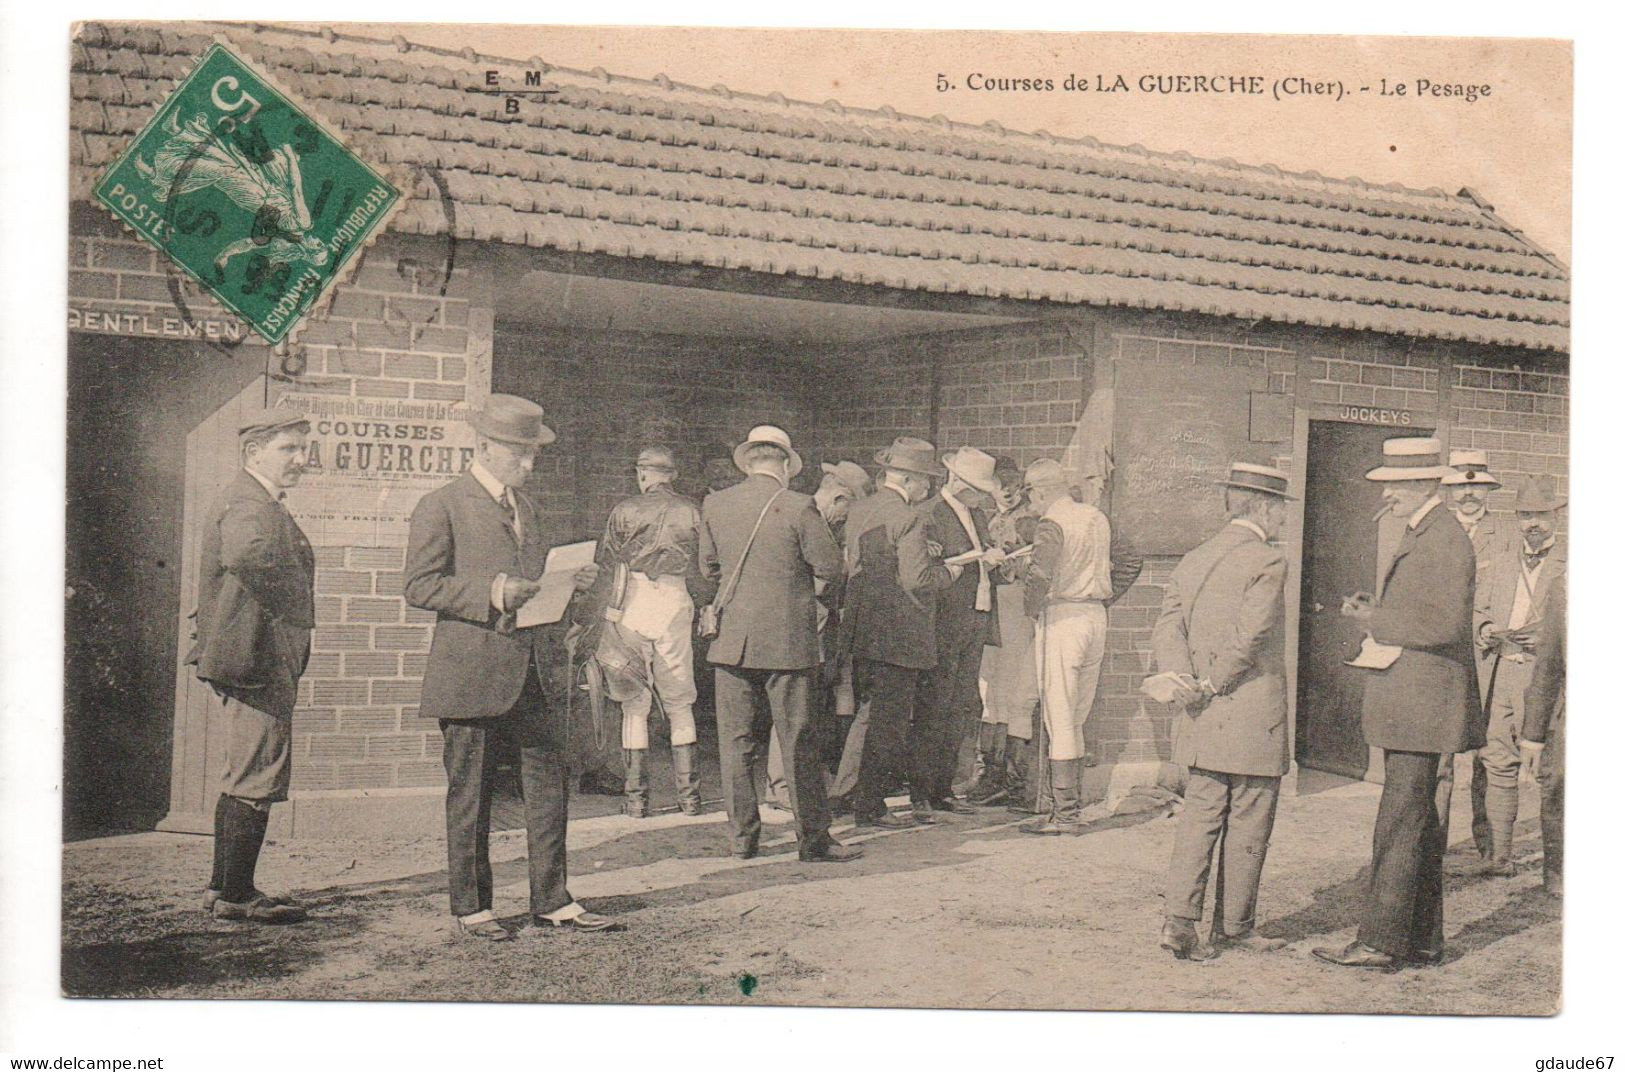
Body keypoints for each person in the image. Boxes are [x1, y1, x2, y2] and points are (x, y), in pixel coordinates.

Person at [405, 393, 616, 941]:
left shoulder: (531, 509)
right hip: (472, 672)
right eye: (519, 454)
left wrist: (573, 583)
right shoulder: (442, 504)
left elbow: (541, 582)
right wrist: (494, 592)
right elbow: (419, 585)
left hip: (536, 672)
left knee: (549, 788)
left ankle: (554, 898)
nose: (529, 465)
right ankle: (472, 907)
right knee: (471, 793)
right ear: (484, 447)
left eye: (532, 455)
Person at [1313, 437, 1480, 971]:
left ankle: (1380, 942)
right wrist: (1383, 609)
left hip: (1422, 703)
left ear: (1424, 484)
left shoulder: (1443, 538)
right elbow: (1427, 610)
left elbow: (1446, 624)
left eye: (1394, 486)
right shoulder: (1427, 531)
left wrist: (1374, 621)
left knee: (1400, 822)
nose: (1387, 496)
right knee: (1419, 823)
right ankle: (1423, 942)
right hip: (1419, 699)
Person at [699, 425, 860, 862]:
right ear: (785, 465)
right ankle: (813, 839)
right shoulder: (797, 505)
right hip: (788, 643)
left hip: (731, 641)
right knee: (797, 739)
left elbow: (708, 569)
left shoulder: (715, 503)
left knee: (735, 743)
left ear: (749, 462)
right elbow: (831, 568)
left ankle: (742, 840)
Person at [1154, 463, 1294, 961]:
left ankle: (1179, 923)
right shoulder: (1267, 561)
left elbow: (1168, 628)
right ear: (1266, 508)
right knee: (1251, 819)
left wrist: (1183, 682)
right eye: (1281, 511)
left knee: (1200, 816)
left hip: (1199, 712)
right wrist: (1214, 682)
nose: (1283, 521)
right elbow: (1252, 635)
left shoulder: (1194, 557)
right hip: (1249, 711)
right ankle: (1235, 927)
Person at [187, 408, 315, 924]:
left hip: (249, 656)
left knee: (245, 769)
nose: (301, 460)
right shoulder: (249, 501)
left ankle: (225, 887)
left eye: (303, 449)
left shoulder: (255, 498)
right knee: (257, 773)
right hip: (256, 659)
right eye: (289, 449)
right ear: (254, 452)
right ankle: (237, 896)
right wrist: (294, 608)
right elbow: (246, 554)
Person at [841, 436, 962, 829]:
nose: (927, 488)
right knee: (888, 723)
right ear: (910, 480)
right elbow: (918, 579)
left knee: (866, 715)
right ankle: (871, 806)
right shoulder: (910, 517)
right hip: (901, 634)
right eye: (925, 481)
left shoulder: (860, 509)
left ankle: (848, 793)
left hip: (863, 628)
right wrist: (950, 573)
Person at [597, 445, 707, 818]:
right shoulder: (692, 509)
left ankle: (636, 800)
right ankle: (689, 799)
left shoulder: (624, 509)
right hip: (675, 597)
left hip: (634, 597)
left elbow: (606, 560)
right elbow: (707, 564)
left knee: (633, 701)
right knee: (680, 701)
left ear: (642, 473)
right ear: (672, 475)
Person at [1467, 475, 1566, 876]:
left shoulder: (1574, 563)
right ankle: (1499, 857)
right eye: (1525, 515)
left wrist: (1542, 636)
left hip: (1548, 680)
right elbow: (1478, 609)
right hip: (1502, 670)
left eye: (1540, 514)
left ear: (1556, 517)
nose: (1533, 523)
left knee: (1552, 770)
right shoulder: (1502, 560)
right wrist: (1485, 629)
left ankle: (1556, 871)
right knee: (1497, 761)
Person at [768, 459, 874, 810]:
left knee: (807, 709)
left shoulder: (819, 521)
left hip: (817, 627)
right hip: (800, 626)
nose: (847, 518)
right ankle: (782, 787)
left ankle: (794, 784)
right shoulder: (806, 516)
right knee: (790, 708)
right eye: (848, 509)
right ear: (838, 497)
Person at [1019, 459, 1114, 835]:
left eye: (1031, 495)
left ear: (1040, 491)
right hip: (1095, 616)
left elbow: (1040, 575)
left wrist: (1031, 608)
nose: (1032, 503)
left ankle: (1066, 814)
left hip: (1062, 616)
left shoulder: (1051, 523)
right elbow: (1129, 560)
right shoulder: (1096, 516)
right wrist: (1103, 595)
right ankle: (1065, 809)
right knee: (1075, 717)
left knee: (1058, 717)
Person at [913, 447, 1008, 816]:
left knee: (959, 706)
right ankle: (921, 792)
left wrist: (996, 559)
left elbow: (982, 556)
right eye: (976, 488)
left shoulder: (977, 515)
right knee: (934, 706)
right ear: (956, 481)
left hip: (976, 619)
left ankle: (943, 789)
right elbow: (927, 567)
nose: (982, 496)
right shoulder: (931, 514)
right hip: (946, 622)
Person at [1437, 449, 1506, 849]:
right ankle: (1435, 847)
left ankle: (1489, 845)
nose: (1468, 495)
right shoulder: (1437, 532)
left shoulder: (1505, 537)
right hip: (1445, 656)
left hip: (1487, 658)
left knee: (1487, 752)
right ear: (1449, 491)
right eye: (1461, 488)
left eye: (1476, 487)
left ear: (1487, 490)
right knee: (1442, 753)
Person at [969, 459, 1040, 808]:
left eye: (1013, 483)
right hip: (987, 607)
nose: (1008, 490)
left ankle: (1014, 778)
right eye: (1000, 484)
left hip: (1014, 606)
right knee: (989, 690)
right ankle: (990, 771)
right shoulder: (981, 518)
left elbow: (1038, 566)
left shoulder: (1031, 520)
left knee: (1013, 690)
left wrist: (1010, 561)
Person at [1521, 571, 1565, 897]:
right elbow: (1547, 664)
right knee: (1558, 789)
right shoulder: (1565, 584)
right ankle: (1558, 874)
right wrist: (1533, 735)